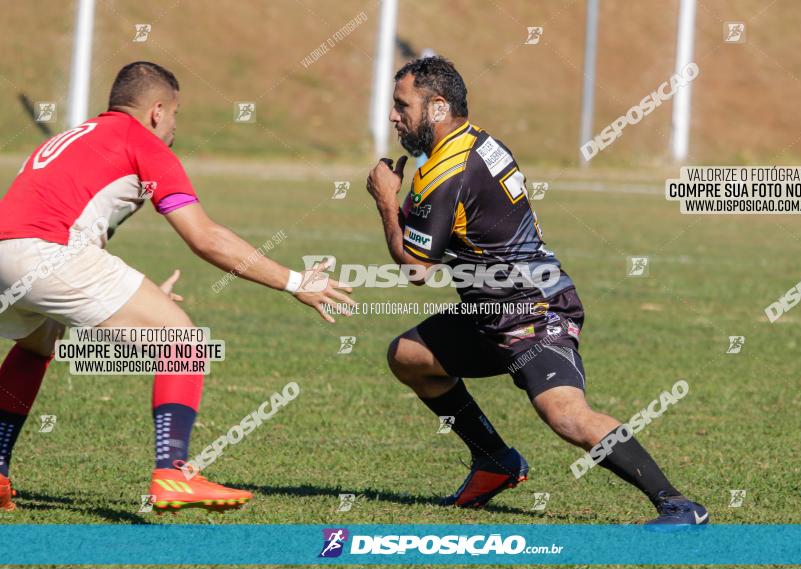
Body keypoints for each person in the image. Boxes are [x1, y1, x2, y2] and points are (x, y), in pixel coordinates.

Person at [366, 56, 707, 524]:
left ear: (438, 107)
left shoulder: (447, 171)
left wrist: (386, 200)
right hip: (493, 312)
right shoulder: (479, 142)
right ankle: (494, 461)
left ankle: (677, 504)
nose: (393, 116)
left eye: (402, 105)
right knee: (408, 355)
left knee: (568, 416)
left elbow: (415, 268)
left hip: (531, 313)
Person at [0, 61, 353, 513]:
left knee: (34, 347)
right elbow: (205, 238)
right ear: (157, 110)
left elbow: (72, 220)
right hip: (48, 254)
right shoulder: (143, 143)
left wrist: (144, 300)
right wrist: (294, 281)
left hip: (10, 255)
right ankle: (173, 472)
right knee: (182, 342)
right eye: (175, 115)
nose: (173, 127)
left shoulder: (78, 136)